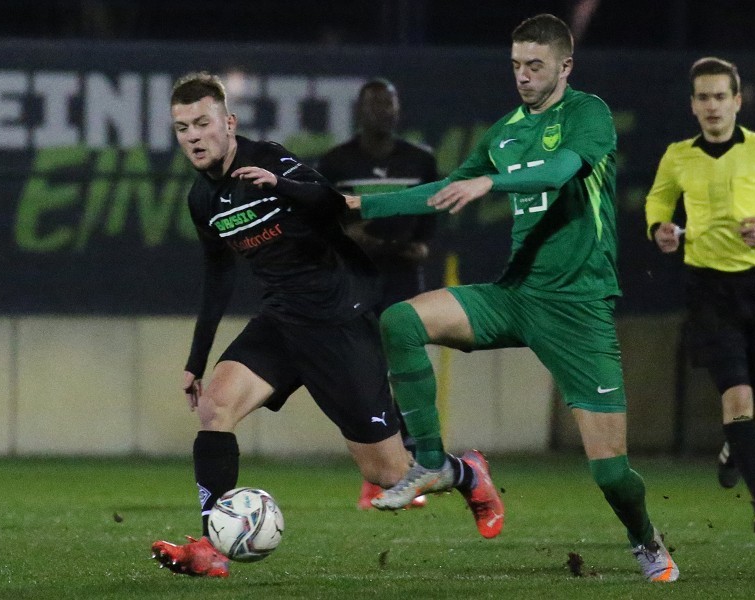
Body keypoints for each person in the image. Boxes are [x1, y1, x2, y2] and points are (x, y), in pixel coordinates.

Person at [345, 14, 679, 582]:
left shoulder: (588, 114)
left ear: (565, 66)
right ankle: (432, 461)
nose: (522, 76)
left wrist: (491, 183)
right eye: (516, 65)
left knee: (611, 475)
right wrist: (361, 205)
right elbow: (443, 189)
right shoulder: (504, 132)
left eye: (535, 66)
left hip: (578, 310)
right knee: (400, 321)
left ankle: (645, 539)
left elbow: (560, 170)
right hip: (515, 296)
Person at [149, 72, 495, 578]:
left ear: (229, 123)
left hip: (337, 320)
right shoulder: (202, 199)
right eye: (183, 128)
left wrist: (281, 185)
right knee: (215, 407)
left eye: (203, 123)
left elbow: (333, 204)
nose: (194, 137)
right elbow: (219, 273)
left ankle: (467, 473)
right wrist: (195, 360)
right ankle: (211, 545)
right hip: (281, 320)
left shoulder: (268, 159)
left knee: (389, 472)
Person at [644, 57, 755, 542]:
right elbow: (658, 202)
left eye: (721, 96)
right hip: (709, 290)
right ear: (692, 105)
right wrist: (658, 229)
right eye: (703, 97)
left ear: (738, 101)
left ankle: (734, 447)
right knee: (737, 398)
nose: (712, 106)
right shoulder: (678, 156)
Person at [319, 78, 439, 509]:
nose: (382, 112)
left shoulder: (420, 160)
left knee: (406, 367)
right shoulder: (336, 162)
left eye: (389, 104)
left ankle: (413, 466)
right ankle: (377, 473)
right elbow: (322, 218)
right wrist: (349, 238)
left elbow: (433, 208)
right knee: (364, 372)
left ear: (398, 109)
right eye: (374, 104)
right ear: (359, 110)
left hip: (403, 277)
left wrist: (421, 242)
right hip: (357, 278)